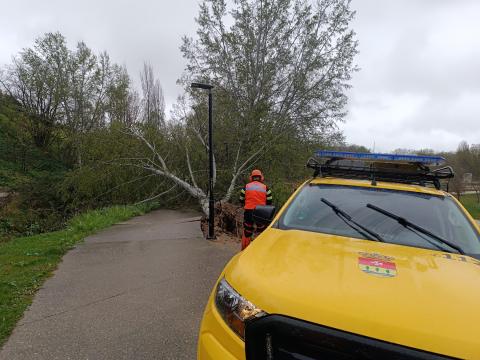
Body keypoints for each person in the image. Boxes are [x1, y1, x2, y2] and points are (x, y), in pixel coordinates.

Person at [239, 169, 273, 250]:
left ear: (251, 177)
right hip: (261, 212)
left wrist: (247, 205)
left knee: (247, 231)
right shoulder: (266, 188)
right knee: (261, 232)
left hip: (248, 212)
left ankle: (244, 250)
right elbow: (269, 201)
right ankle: (260, 249)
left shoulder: (246, 187)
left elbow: (241, 199)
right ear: (261, 177)